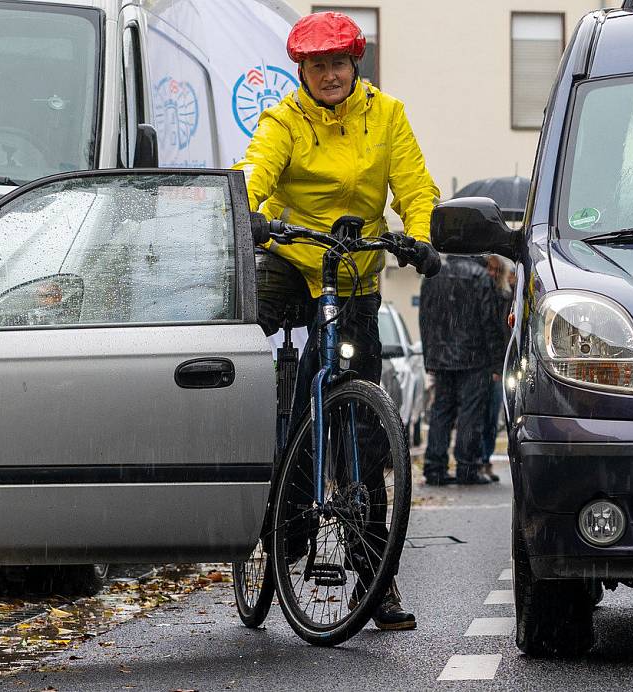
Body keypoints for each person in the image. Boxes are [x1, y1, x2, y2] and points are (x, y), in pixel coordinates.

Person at [234, 10, 440, 631]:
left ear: (357, 66)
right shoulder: (284, 119)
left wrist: (421, 239)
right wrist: (248, 213)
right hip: (296, 264)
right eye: (317, 66)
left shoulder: (388, 116)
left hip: (355, 275)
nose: (329, 75)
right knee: (280, 382)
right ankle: (278, 527)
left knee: (368, 438)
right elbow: (254, 174)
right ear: (301, 71)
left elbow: (415, 188)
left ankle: (375, 577)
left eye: (339, 64)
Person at [418, 255, 506, 486]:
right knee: (470, 415)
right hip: (474, 356)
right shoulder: (479, 277)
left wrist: (430, 355)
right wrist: (497, 362)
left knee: (441, 411)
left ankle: (434, 467)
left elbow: (425, 317)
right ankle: (466, 467)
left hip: (442, 356)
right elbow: (490, 323)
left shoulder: (435, 274)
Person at [479, 255, 515, 482]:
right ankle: (479, 459)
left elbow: (500, 334)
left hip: (495, 364)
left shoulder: (505, 297)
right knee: (481, 416)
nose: (492, 274)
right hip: (484, 363)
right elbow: (491, 332)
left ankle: (484, 459)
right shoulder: (486, 295)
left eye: (495, 270)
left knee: (491, 417)